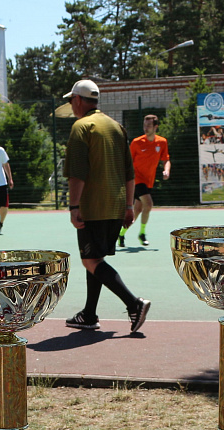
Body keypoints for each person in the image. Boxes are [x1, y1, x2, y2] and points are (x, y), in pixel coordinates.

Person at [61, 79, 150, 334]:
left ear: (78, 100)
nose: (71, 105)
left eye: (71, 101)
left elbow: (77, 173)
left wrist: (74, 206)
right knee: (96, 258)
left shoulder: (81, 127)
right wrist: (129, 207)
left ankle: (134, 304)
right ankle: (89, 315)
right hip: (116, 205)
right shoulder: (116, 126)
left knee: (90, 260)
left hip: (93, 206)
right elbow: (129, 173)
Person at [118, 114, 169, 248]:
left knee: (138, 210)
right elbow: (127, 162)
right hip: (136, 179)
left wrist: (166, 170)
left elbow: (166, 159)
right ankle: (142, 234)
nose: (146, 128)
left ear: (155, 127)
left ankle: (121, 233)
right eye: (144, 125)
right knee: (149, 203)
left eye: (149, 126)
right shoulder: (136, 142)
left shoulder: (162, 142)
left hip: (149, 181)